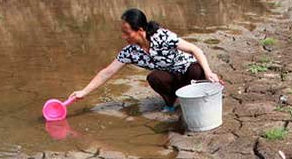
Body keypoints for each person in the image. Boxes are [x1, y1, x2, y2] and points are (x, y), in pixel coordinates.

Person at [68, 8, 220, 112]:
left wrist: (209, 73)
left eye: (127, 33)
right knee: (154, 77)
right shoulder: (131, 52)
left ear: (140, 30)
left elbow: (195, 50)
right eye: (123, 33)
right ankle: (172, 102)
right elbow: (107, 72)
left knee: (196, 69)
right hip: (171, 76)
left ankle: (190, 99)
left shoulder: (162, 36)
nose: (124, 37)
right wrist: (84, 92)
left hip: (188, 71)